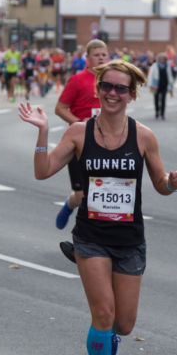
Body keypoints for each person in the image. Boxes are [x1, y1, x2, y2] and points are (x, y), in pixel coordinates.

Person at [19, 60, 177, 355]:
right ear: (98, 89)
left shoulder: (143, 137)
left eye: (120, 88)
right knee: (104, 313)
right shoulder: (79, 132)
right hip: (91, 237)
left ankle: (105, 339)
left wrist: (172, 182)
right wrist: (43, 131)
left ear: (132, 94)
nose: (112, 93)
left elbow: (160, 185)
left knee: (123, 324)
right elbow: (42, 171)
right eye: (106, 86)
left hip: (130, 239)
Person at [54, 39, 111, 237]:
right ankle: (69, 206)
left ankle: (87, 236)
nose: (101, 58)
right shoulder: (78, 80)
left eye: (104, 54)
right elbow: (60, 108)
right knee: (82, 195)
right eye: (97, 55)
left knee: (102, 193)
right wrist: (80, 123)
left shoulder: (113, 81)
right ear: (87, 58)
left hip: (106, 145)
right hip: (79, 144)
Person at [148, 54, 172, 120]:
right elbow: (150, 76)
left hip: (164, 85)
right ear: (158, 59)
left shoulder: (167, 66)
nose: (162, 60)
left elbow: (170, 76)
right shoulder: (154, 65)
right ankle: (157, 111)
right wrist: (150, 85)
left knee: (163, 100)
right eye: (160, 59)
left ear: (165, 59)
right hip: (156, 85)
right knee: (156, 99)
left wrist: (170, 86)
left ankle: (162, 114)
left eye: (163, 59)